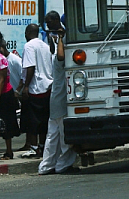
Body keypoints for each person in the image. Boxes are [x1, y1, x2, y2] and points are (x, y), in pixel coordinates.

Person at [38, 11, 78, 175]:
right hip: (60, 98)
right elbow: (61, 57)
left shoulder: (55, 43)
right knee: (63, 134)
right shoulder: (59, 50)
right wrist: (61, 39)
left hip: (56, 98)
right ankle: (63, 165)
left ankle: (46, 166)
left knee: (52, 135)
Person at [21, 23, 53, 159]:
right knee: (44, 120)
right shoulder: (45, 46)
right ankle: (42, 146)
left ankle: (33, 148)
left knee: (32, 120)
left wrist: (26, 86)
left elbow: (30, 67)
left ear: (28, 32)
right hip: (47, 86)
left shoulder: (29, 46)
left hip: (35, 87)